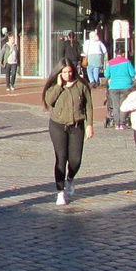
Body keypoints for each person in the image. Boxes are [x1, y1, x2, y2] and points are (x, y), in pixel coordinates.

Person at [42, 61, 93, 205]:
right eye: (64, 72)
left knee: (75, 159)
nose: (68, 75)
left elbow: (88, 106)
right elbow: (49, 101)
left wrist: (89, 125)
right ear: (59, 73)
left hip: (77, 125)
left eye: (70, 72)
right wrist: (59, 86)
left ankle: (70, 178)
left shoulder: (81, 86)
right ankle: (60, 192)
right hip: (58, 126)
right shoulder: (54, 87)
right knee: (61, 158)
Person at [103, 43, 136, 130]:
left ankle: (117, 123)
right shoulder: (127, 62)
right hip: (126, 86)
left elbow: (106, 75)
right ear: (123, 54)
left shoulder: (110, 63)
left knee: (115, 105)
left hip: (113, 86)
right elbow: (133, 73)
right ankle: (122, 123)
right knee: (124, 104)